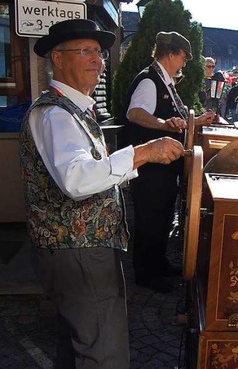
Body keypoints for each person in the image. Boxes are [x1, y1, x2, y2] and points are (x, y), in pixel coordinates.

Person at [20, 19, 184, 367]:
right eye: (86, 51)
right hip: (76, 251)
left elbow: (89, 171)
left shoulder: (73, 109)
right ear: (58, 59)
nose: (98, 60)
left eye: (99, 52)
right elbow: (76, 179)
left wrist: (126, 169)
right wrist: (143, 152)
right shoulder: (55, 114)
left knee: (79, 342)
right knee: (102, 350)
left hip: (82, 247)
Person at [124, 31, 214, 293]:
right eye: (183, 58)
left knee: (163, 216)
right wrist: (163, 124)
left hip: (164, 167)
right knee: (150, 217)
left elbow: (173, 120)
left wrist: (195, 122)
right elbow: (136, 113)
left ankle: (159, 263)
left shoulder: (165, 81)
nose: (184, 64)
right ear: (171, 54)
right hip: (151, 167)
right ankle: (146, 273)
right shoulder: (149, 81)